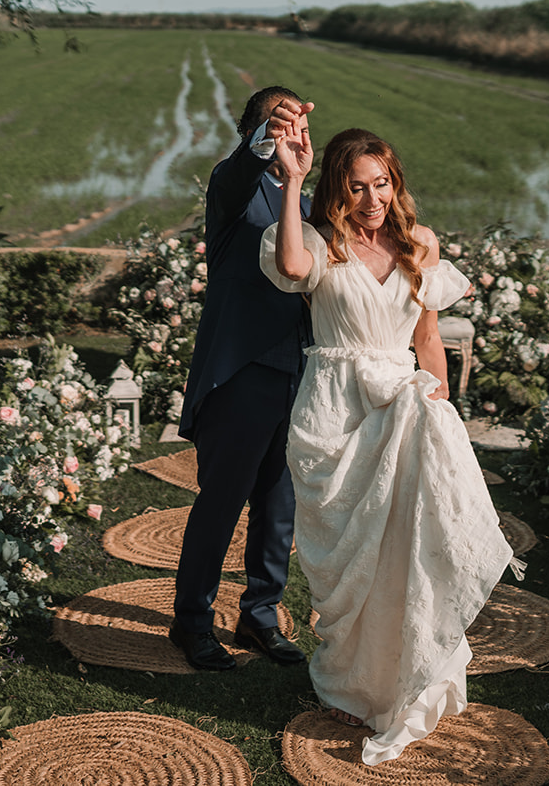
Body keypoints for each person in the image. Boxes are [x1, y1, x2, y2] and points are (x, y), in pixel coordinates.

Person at [261, 124, 516, 764]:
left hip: (405, 409)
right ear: (337, 190)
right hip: (333, 414)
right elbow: (290, 269)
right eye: (358, 186)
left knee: (409, 548)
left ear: (395, 184)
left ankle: (406, 680)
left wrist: (444, 404)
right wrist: (292, 179)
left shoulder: (418, 247)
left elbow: (427, 336)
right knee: (343, 563)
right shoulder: (317, 242)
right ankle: (351, 681)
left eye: (383, 184)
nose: (374, 199)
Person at [168, 86, 315, 671]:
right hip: (240, 371)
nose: (290, 136)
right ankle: (191, 622)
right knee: (222, 502)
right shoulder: (234, 189)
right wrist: (264, 143)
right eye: (276, 125)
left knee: (280, 507)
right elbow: (237, 171)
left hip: (301, 371)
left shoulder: (312, 200)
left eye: (297, 126)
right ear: (253, 133)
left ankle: (260, 617)